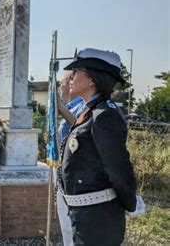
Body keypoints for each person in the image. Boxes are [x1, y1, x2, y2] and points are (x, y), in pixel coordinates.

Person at [59, 48, 138, 245]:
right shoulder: (90, 113)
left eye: (77, 71)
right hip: (86, 216)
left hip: (99, 219)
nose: (71, 77)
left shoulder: (104, 116)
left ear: (92, 79)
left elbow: (118, 168)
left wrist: (130, 202)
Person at [56, 72, 84, 246]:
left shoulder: (82, 105)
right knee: (65, 221)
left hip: (76, 169)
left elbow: (81, 127)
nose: (60, 88)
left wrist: (61, 109)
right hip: (63, 166)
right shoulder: (71, 105)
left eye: (62, 84)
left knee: (73, 221)